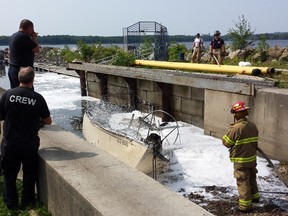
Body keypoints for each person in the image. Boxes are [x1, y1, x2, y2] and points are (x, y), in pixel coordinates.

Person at [0, 66, 52, 210]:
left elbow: (0, 115)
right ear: (32, 79)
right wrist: (37, 122)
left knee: (9, 174)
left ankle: (11, 204)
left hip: (10, 142)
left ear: (18, 78)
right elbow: (48, 121)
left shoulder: (8, 94)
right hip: (29, 143)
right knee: (29, 174)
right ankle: (28, 202)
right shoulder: (37, 98)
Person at [222, 101, 260, 213]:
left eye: (235, 113)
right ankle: (255, 197)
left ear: (238, 114)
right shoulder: (253, 126)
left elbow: (226, 142)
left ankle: (245, 206)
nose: (234, 115)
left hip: (241, 160)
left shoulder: (236, 128)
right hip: (252, 159)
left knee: (242, 181)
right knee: (252, 178)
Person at [8, 19, 40, 89]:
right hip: (23, 72)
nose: (33, 31)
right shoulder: (24, 37)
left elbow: (9, 53)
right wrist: (34, 39)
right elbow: (36, 50)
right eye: (32, 28)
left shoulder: (12, 36)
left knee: (15, 93)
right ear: (29, 28)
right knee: (27, 94)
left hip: (12, 69)